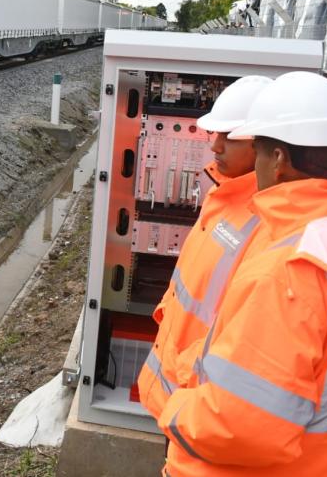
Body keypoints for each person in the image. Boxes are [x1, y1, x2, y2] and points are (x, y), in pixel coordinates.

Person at [157, 71, 327, 476]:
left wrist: (174, 406)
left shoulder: (287, 271)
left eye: (259, 152)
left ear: (279, 159)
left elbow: (239, 425)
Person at [137, 75, 272, 419]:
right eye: (216, 134)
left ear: (270, 145)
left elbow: (242, 344)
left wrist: (184, 387)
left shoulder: (268, 225)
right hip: (174, 396)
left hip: (195, 406)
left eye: (230, 137)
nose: (215, 147)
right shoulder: (223, 197)